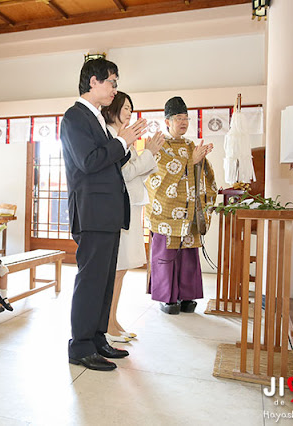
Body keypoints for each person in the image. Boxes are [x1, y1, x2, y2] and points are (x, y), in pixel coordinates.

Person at [60, 57, 148, 371]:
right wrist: (123, 140)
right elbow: (88, 160)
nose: (115, 88)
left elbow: (109, 161)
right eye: (112, 81)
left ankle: (97, 338)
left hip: (107, 211)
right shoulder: (74, 116)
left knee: (104, 280)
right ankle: (80, 345)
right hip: (92, 210)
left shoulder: (96, 116)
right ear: (93, 82)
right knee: (90, 280)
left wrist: (127, 142)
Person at [101, 92, 165, 343]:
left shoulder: (125, 138)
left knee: (122, 268)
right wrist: (147, 153)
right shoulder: (111, 137)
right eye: (125, 107)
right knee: (117, 268)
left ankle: (113, 320)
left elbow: (137, 174)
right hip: (120, 207)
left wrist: (149, 153)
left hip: (132, 204)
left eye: (131, 108)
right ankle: (107, 323)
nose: (129, 112)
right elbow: (124, 173)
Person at [145, 96, 217, 314]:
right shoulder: (160, 144)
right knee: (166, 255)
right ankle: (167, 298)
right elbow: (161, 174)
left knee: (188, 255)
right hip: (166, 211)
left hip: (188, 211)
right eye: (178, 118)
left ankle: (186, 296)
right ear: (167, 121)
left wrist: (201, 161)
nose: (183, 122)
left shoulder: (190, 145)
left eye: (186, 118)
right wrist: (191, 161)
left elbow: (200, 173)